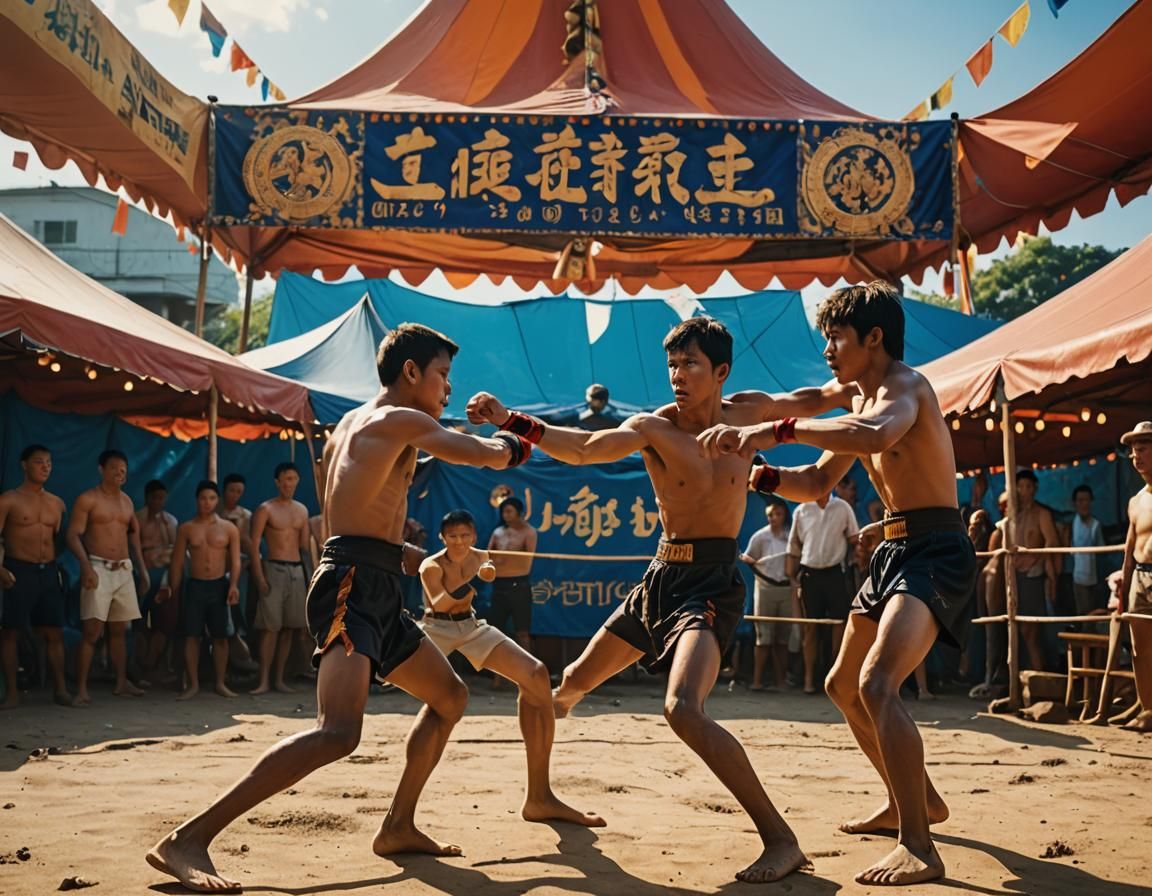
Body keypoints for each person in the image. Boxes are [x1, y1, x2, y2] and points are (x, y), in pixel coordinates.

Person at [148, 323, 532, 892]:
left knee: (450, 697)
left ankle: (399, 825)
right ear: (411, 373)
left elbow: (352, 515)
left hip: (367, 577)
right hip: (352, 582)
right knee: (337, 732)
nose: (449, 389)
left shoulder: (348, 425)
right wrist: (514, 425)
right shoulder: (402, 419)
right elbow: (490, 458)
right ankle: (189, 838)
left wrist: (400, 555)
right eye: (443, 375)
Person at [467, 317, 807, 884]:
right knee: (568, 685)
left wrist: (870, 391)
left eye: (691, 364)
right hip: (660, 579)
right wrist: (511, 421)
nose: (678, 375)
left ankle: (781, 838)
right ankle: (541, 795)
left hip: (712, 585)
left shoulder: (749, 416)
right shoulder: (654, 426)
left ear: (721, 371)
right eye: (672, 365)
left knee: (682, 708)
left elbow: (816, 400)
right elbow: (584, 448)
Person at [697, 281, 977, 885]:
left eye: (836, 337)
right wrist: (758, 468)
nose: (826, 347)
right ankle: (917, 799)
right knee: (842, 683)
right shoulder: (855, 396)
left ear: (873, 339)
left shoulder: (904, 389)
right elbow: (814, 481)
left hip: (936, 551)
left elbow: (871, 437)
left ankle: (921, 846)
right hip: (894, 551)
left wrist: (773, 433)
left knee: (877, 684)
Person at [420, 509, 603, 825]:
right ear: (442, 537)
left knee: (536, 674)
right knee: (440, 702)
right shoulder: (431, 565)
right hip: (436, 628)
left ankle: (540, 797)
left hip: (470, 626)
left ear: (474, 536)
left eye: (465, 536)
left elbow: (489, 567)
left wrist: (488, 569)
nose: (459, 542)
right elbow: (441, 602)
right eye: (452, 536)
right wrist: (477, 575)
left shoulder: (481, 553)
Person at [66, 449, 149, 706]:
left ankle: (121, 682)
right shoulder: (88, 499)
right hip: (98, 567)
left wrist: (142, 570)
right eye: (114, 468)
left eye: (123, 470)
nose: (119, 473)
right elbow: (72, 535)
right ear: (101, 469)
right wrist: (86, 567)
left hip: (123, 569)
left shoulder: (127, 502)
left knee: (119, 630)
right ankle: (81, 688)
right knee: (92, 630)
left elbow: (133, 535)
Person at [0, 445, 71, 708]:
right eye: (39, 462)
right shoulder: (9, 500)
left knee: (54, 632)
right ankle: (13, 693)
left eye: (49, 463)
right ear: (24, 465)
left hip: (48, 572)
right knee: (10, 633)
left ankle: (61, 690)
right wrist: (1, 569)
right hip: (18, 570)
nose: (45, 467)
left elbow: (62, 541)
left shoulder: (57, 503)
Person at [163, 481, 242, 701]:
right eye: (203, 498)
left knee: (221, 637)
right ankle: (193, 684)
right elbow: (177, 563)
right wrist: (173, 590)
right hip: (195, 585)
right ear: (197, 500)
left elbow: (235, 561)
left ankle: (220, 683)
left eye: (211, 498)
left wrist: (234, 584)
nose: (207, 503)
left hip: (219, 585)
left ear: (217, 501)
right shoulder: (187, 528)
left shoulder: (228, 528)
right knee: (191, 636)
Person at [787, 492, 858, 694]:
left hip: (835, 573)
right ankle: (809, 679)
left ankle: (834, 677)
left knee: (838, 624)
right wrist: (791, 576)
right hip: (810, 574)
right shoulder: (802, 510)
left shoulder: (843, 507)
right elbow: (794, 545)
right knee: (811, 628)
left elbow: (854, 538)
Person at [249, 462, 310, 695]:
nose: (289, 483)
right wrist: (259, 576)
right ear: (277, 482)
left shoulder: (302, 511)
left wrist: (309, 576)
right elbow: (254, 546)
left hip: (295, 571)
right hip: (273, 568)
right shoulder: (266, 509)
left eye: (293, 478)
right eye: (285, 479)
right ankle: (263, 680)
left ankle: (279, 679)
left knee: (289, 628)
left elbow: (304, 547)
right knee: (270, 627)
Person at [1117, 421, 1152, 732]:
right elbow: (1129, 549)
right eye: (1132, 452)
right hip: (1140, 576)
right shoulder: (1136, 500)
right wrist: (1123, 587)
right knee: (1140, 648)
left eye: (1141, 449)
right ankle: (1147, 708)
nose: (1135, 457)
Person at [740, 499, 793, 691]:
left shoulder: (790, 536)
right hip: (765, 587)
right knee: (763, 638)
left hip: (786, 588)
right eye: (771, 515)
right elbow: (747, 557)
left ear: (784, 515)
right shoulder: (760, 536)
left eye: (778, 514)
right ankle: (757, 681)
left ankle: (780, 681)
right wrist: (753, 563)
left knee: (782, 639)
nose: (774, 518)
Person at [1010, 469, 1060, 672]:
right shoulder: (1015, 516)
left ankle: (1040, 676)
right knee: (1019, 631)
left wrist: (1034, 559)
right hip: (1016, 578)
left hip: (1034, 576)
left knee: (1031, 631)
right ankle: (1028, 679)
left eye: (1028, 486)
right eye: (1020, 486)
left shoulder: (1042, 514)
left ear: (1035, 488)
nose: (1024, 491)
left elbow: (1052, 542)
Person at [135, 480, 178, 685]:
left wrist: (168, 581)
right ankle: (139, 668)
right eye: (155, 498)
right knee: (139, 623)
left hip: (163, 577)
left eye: (162, 498)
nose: (158, 502)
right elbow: (133, 550)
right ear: (147, 498)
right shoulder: (137, 519)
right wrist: (141, 573)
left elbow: (175, 553)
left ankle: (155, 665)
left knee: (164, 624)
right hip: (142, 574)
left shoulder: (171, 521)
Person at [486, 496, 538, 660]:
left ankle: (529, 673)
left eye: (509, 511)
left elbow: (527, 562)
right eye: (503, 512)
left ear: (519, 513)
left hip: (519, 585)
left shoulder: (529, 532)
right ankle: (497, 678)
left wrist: (505, 560)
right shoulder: (498, 532)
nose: (506, 515)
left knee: (522, 632)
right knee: (495, 632)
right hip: (498, 585)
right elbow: (487, 557)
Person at [218, 472, 257, 672]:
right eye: (232, 490)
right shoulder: (214, 513)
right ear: (224, 491)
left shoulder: (247, 516)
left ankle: (240, 661)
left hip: (240, 572)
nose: (235, 495)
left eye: (239, 492)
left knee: (239, 613)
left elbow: (251, 547)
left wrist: (251, 565)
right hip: (216, 571)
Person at [1070, 484, 1105, 618]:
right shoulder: (1071, 524)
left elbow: (1101, 551)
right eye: (1080, 500)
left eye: (1086, 500)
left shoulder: (1096, 525)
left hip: (1095, 578)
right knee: (1082, 615)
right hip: (1077, 578)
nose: (1084, 504)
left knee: (1095, 614)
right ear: (1075, 504)